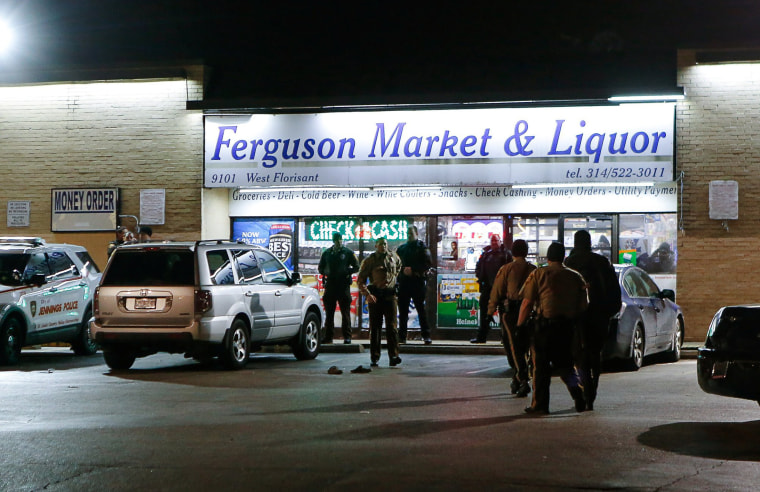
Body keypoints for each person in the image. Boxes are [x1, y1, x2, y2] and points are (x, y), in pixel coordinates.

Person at [517, 241, 588, 415]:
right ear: (563, 256)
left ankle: (540, 405)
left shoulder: (538, 274)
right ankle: (578, 394)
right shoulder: (575, 276)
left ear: (548, 257)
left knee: (540, 367)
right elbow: (584, 305)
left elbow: (527, 302)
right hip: (566, 328)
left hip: (544, 328)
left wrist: (520, 325)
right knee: (565, 365)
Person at [564, 230, 622, 411]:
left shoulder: (569, 264)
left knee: (579, 356)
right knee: (595, 354)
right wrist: (609, 313)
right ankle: (592, 390)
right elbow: (614, 292)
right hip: (599, 316)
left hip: (576, 317)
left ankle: (583, 389)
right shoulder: (602, 262)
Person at [487, 239, 536, 397]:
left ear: (513, 252)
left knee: (513, 347)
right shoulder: (534, 270)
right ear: (526, 252)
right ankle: (518, 377)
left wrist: (489, 313)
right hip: (530, 313)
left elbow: (496, 293)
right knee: (526, 346)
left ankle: (522, 379)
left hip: (511, 312)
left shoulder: (506, 269)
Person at [357, 237, 402, 367]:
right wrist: (368, 294)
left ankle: (394, 356)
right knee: (375, 328)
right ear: (376, 246)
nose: (384, 246)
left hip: (390, 295)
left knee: (392, 327)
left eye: (385, 244)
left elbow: (398, 267)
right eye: (381, 244)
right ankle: (374, 357)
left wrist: (393, 280)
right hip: (376, 296)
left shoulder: (393, 257)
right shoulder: (370, 260)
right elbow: (360, 280)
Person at [318, 232, 360, 344]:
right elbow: (320, 267)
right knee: (329, 313)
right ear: (333, 240)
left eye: (340, 239)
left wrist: (347, 272)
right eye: (337, 239)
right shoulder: (327, 253)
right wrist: (326, 272)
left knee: (345, 313)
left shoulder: (347, 252)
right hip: (330, 284)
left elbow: (357, 267)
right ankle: (328, 337)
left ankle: (347, 336)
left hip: (343, 285)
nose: (339, 241)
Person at [396, 225, 433, 344]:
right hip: (404, 283)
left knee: (421, 310)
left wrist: (414, 270)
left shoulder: (422, 247)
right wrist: (402, 271)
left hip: (417, 282)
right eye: (407, 233)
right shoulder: (402, 249)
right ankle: (402, 336)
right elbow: (395, 265)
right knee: (403, 311)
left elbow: (428, 264)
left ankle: (426, 335)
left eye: (411, 233)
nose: (409, 235)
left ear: (416, 233)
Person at [472, 234, 512, 343]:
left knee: (503, 313)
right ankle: (482, 336)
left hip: (502, 289)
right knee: (484, 312)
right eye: (492, 240)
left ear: (500, 241)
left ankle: (505, 337)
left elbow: (510, 271)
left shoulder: (506, 254)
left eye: (496, 240)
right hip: (487, 287)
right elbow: (479, 267)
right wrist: (480, 276)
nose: (494, 242)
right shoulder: (486, 254)